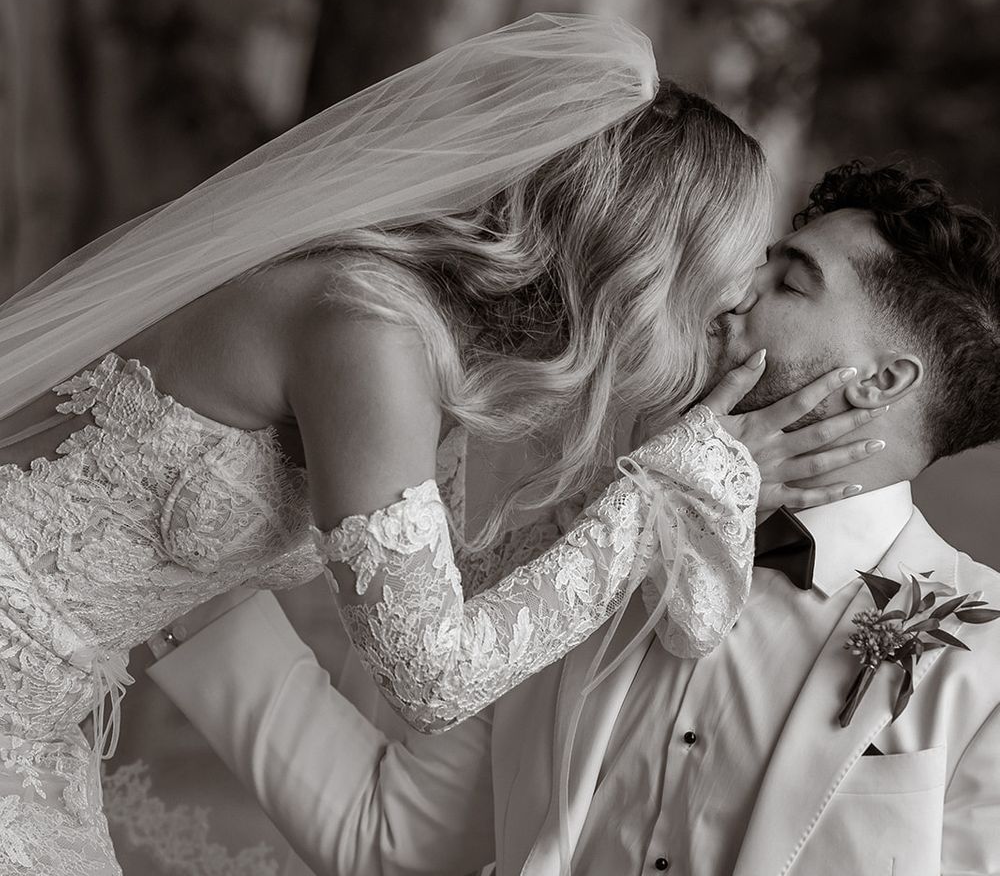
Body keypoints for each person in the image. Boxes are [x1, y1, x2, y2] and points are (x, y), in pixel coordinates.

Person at [0, 15, 878, 875]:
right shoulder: (371, 333)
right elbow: (431, 678)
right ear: (642, 271)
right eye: (726, 290)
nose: (736, 311)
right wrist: (660, 502)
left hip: (35, 707)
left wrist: (672, 486)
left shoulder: (444, 351)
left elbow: (462, 588)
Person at [149, 161, 1000, 876]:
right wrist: (170, 579)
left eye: (789, 282)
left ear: (880, 382)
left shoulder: (986, 670)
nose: (735, 296)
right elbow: (395, 837)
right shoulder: (587, 545)